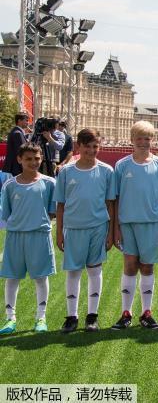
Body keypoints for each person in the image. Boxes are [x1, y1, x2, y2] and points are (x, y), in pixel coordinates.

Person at [54, 128, 117, 332]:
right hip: (73, 228)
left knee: (95, 270)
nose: (91, 150)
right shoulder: (66, 172)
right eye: (87, 146)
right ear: (78, 147)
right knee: (73, 272)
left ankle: (92, 316)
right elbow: (61, 205)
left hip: (98, 227)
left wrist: (111, 233)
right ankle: (71, 317)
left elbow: (110, 204)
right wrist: (59, 232)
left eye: (95, 146)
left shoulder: (107, 171)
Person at [110, 121, 158, 330]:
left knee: (147, 266)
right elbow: (116, 198)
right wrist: (116, 226)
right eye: (139, 138)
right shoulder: (122, 165)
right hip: (127, 222)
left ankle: (147, 312)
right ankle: (126, 313)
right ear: (132, 140)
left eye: (147, 138)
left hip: (152, 223)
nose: (144, 142)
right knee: (129, 265)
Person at [0, 143, 56, 334]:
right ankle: (10, 319)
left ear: (41, 159)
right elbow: (6, 213)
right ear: (19, 160)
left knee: (40, 277)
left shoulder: (49, 183)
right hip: (15, 236)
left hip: (39, 236)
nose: (33, 162)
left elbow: (52, 211)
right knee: (12, 277)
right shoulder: (10, 185)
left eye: (37, 158)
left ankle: (41, 318)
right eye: (28, 159)